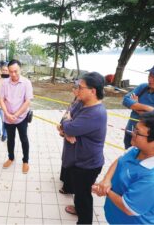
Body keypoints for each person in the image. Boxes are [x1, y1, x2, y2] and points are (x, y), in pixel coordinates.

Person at [92, 112, 154, 224]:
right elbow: (120, 160)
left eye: (138, 132)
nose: (131, 133)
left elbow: (129, 208)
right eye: (135, 129)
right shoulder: (142, 150)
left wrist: (105, 190)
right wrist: (106, 180)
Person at [59, 72, 107, 224]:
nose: (76, 90)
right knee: (79, 192)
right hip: (77, 159)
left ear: (93, 91)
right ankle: (78, 208)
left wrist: (67, 127)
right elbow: (65, 118)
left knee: (84, 195)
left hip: (88, 164)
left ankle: (84, 220)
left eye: (80, 87)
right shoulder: (81, 102)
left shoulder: (96, 113)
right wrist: (66, 128)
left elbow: (69, 126)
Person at [0, 59, 33, 174]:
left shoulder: (26, 83)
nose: (13, 74)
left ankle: (25, 161)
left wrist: (16, 115)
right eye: (10, 72)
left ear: (20, 69)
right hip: (8, 118)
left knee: (24, 139)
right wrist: (8, 114)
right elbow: (1, 100)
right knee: (10, 139)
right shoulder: (5, 82)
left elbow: (27, 101)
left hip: (21, 117)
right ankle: (11, 158)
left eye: (15, 71)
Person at [57, 79, 80, 195]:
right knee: (66, 157)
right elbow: (67, 115)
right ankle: (64, 179)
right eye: (74, 88)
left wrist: (65, 129)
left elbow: (72, 120)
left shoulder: (83, 105)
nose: (74, 90)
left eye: (77, 88)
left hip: (73, 137)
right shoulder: (75, 101)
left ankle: (68, 187)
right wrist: (61, 126)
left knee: (71, 160)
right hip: (67, 133)